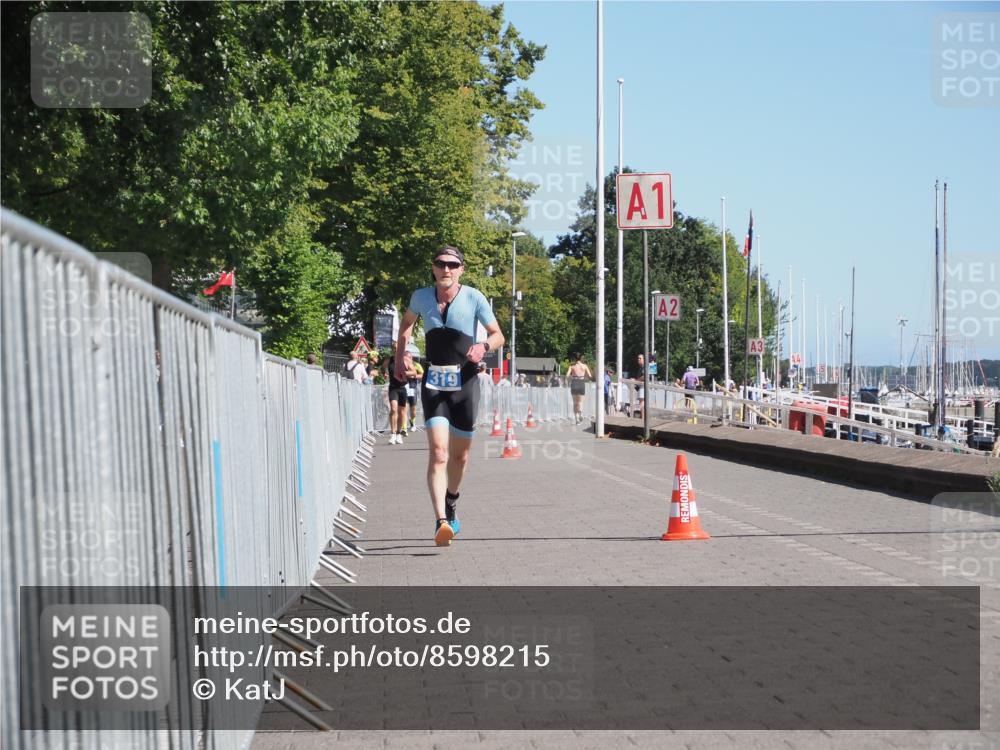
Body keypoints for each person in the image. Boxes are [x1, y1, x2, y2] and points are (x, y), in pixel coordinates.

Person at [395, 245, 504, 547]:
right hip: (433, 382)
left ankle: (451, 500)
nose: (446, 269)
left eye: (453, 265)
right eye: (441, 263)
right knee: (439, 452)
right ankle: (441, 521)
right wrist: (400, 357)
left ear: (461, 270)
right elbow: (405, 326)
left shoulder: (474, 297)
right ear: (433, 268)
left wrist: (484, 347)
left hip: (465, 383)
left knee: (460, 456)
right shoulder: (420, 297)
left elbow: (498, 334)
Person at [385, 353, 409, 444]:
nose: (395, 350)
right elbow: (382, 368)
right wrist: (384, 373)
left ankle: (399, 433)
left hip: (402, 388)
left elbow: (414, 372)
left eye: (397, 348)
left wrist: (404, 373)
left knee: (402, 412)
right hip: (393, 388)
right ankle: (393, 434)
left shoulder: (406, 360)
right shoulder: (389, 360)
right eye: (393, 348)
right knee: (393, 409)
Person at [566, 353, 592, 424]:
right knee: (580, 402)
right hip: (581, 383)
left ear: (574, 358)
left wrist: (573, 377)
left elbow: (567, 375)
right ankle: (580, 414)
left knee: (575, 403)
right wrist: (584, 377)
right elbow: (590, 376)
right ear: (581, 358)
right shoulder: (584, 366)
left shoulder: (572, 366)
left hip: (574, 383)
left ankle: (577, 419)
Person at [403, 351, 423, 431]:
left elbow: (423, 375)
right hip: (403, 388)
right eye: (407, 357)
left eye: (410, 357)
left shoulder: (416, 365)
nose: (409, 359)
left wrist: (414, 376)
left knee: (413, 408)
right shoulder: (402, 365)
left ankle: (412, 421)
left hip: (412, 388)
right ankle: (404, 427)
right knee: (404, 408)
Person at [635, 354, 646, 420]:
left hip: (643, 387)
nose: (638, 359)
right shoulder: (640, 368)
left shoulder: (645, 367)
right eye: (638, 358)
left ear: (644, 359)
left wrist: (635, 380)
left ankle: (643, 418)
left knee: (642, 402)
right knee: (641, 402)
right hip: (640, 387)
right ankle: (642, 417)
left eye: (640, 358)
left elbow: (644, 376)